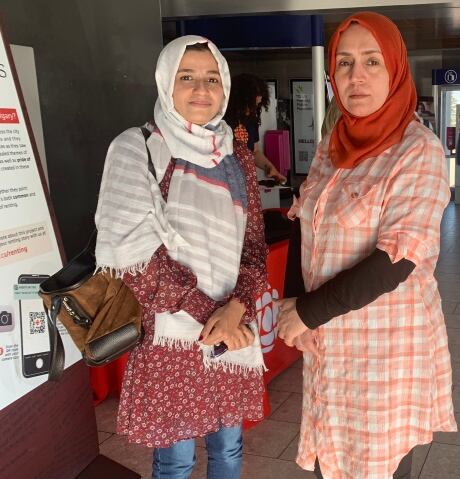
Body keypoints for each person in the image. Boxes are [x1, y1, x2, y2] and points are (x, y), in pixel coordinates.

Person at [275, 12, 457, 479]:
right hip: (330, 342)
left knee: (375, 465)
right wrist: (296, 305)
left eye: (372, 62)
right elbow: (303, 223)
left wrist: (308, 311)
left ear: (395, 69)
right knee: (330, 459)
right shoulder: (331, 147)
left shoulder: (418, 150)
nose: (356, 77)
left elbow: (397, 259)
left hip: (384, 350)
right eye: (345, 63)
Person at [94, 36, 268, 479]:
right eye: (186, 77)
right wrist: (215, 315)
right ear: (165, 82)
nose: (201, 90)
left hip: (229, 328)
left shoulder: (238, 158)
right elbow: (136, 261)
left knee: (228, 449)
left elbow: (253, 249)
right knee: (177, 460)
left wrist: (236, 308)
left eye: (212, 78)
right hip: (171, 335)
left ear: (224, 87)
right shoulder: (138, 149)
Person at [224, 73, 287, 184]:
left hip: (246, 180)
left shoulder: (251, 120)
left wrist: (271, 168)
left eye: (257, 105)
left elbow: (255, 151)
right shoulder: (221, 121)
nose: (253, 109)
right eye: (251, 105)